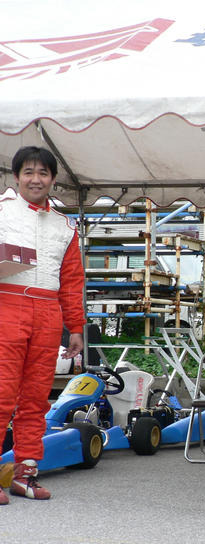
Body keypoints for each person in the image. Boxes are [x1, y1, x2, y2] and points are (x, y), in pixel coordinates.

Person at [0, 146, 85, 505]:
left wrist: (76, 328)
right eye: (29, 172)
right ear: (16, 176)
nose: (36, 179)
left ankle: (25, 474)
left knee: (36, 398)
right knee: (2, 394)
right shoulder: (2, 212)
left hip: (48, 311)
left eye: (43, 173)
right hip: (7, 304)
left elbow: (72, 281)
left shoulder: (65, 226)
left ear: (53, 179)